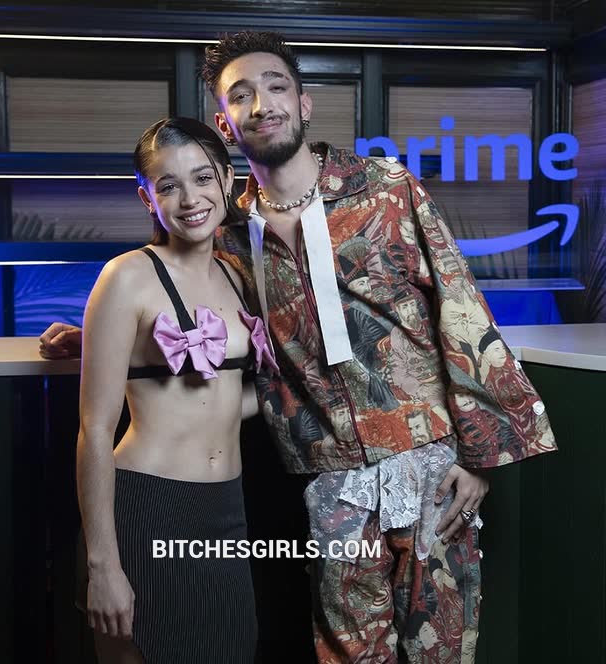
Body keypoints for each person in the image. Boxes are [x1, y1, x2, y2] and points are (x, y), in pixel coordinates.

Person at [40, 31, 557, 664]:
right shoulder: (230, 234)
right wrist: (99, 335)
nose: (261, 105)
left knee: (440, 649)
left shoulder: (387, 189)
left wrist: (479, 457)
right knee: (348, 654)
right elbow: (188, 304)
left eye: (276, 87)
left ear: (304, 103)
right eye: (241, 95)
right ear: (225, 124)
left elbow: (462, 309)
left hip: (430, 466)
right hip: (331, 478)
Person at [67, 116, 277, 664]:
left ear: (227, 180)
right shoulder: (126, 276)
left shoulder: (238, 277)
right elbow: (94, 428)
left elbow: (222, 398)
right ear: (147, 198)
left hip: (225, 509)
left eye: (202, 178)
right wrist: (103, 566)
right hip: (148, 505)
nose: (190, 199)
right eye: (168, 185)